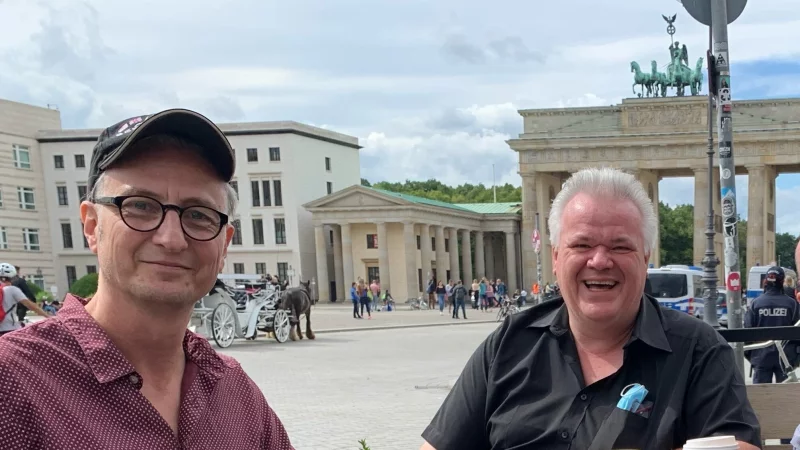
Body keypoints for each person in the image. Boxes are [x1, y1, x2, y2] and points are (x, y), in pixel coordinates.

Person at [0, 110, 294, 449]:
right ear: (92, 226)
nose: (171, 239)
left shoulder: (236, 395)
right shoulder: (13, 385)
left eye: (199, 215)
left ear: (224, 242)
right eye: (140, 206)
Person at [420, 167, 760, 450]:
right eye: (581, 244)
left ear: (644, 259)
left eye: (619, 245)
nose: (599, 260)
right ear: (555, 257)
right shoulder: (508, 344)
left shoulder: (698, 351)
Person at [745, 266, 800, 383]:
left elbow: (747, 333)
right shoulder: (792, 304)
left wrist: (753, 356)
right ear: (782, 281)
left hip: (761, 356)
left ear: (765, 281)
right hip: (785, 357)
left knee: (761, 396)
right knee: (785, 396)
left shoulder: (755, 304)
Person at [0, 263, 52, 336]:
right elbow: (31, 306)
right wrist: (49, 317)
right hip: (10, 329)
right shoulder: (13, 290)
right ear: (13, 277)